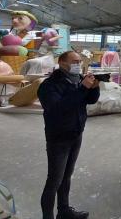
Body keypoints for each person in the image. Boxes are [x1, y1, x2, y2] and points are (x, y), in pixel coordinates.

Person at [38, 51, 100, 219]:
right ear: (62, 63)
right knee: (54, 181)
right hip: (58, 138)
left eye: (80, 61)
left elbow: (90, 100)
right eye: (75, 61)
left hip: (76, 134)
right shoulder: (49, 85)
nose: (78, 64)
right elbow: (58, 109)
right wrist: (82, 89)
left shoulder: (78, 79)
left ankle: (64, 211)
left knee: (66, 176)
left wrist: (94, 88)